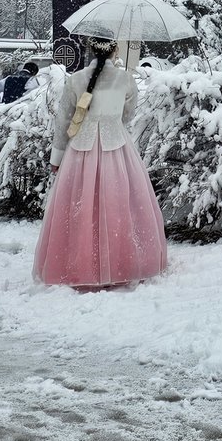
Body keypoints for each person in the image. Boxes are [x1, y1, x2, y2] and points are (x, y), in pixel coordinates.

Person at [33, 38, 167, 289]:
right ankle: (122, 262)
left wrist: (57, 158)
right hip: (116, 147)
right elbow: (127, 115)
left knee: (79, 206)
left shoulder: (75, 80)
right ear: (115, 49)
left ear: (90, 49)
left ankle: (79, 264)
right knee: (117, 203)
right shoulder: (126, 79)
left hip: (80, 150)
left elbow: (63, 121)